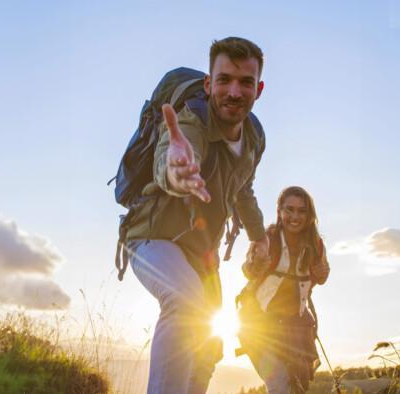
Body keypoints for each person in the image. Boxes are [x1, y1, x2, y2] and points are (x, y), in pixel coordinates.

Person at [125, 37, 269, 394]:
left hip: (202, 256)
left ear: (259, 89)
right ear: (208, 84)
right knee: (185, 302)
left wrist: (259, 235)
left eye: (245, 82)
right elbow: (170, 159)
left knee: (207, 349)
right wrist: (176, 171)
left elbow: (243, 190)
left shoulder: (254, 138)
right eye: (224, 80)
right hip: (153, 235)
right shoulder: (191, 118)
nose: (234, 92)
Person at [238, 186, 330, 393]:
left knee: (296, 388)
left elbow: (323, 273)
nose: (295, 216)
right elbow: (247, 269)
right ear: (279, 211)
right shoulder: (267, 238)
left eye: (301, 211)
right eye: (289, 209)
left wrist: (323, 273)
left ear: (309, 215)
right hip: (259, 325)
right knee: (279, 382)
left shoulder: (316, 244)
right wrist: (255, 263)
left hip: (296, 328)